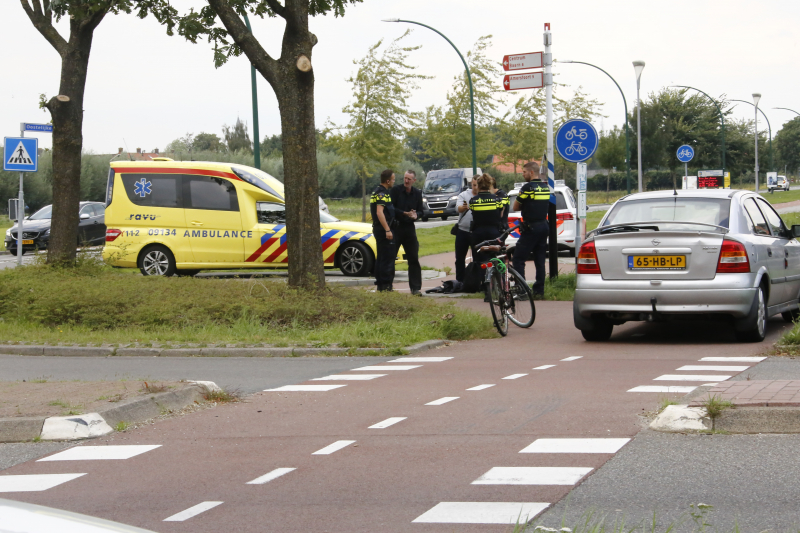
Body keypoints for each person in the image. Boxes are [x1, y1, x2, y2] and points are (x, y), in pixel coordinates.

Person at [512, 161, 550, 299]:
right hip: (544, 226)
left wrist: (526, 205)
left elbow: (516, 207)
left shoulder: (527, 187)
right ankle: (539, 291)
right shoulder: (545, 187)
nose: (523, 174)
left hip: (531, 227)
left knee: (518, 258)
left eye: (524, 172)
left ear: (532, 172)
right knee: (540, 260)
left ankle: (522, 291)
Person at [391, 170, 424, 295]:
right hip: (397, 227)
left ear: (414, 180)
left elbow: (421, 211)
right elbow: (391, 208)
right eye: (405, 178)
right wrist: (404, 213)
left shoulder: (417, 193)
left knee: (413, 258)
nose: (406, 181)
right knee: (391, 257)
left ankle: (416, 288)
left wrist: (416, 215)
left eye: (409, 179)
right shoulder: (396, 191)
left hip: (410, 228)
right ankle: (388, 286)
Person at [469, 174, 505, 266]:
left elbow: (473, 214)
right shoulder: (497, 200)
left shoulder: (473, 200)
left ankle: (480, 278)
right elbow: (501, 215)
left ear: (478, 186)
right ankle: (497, 278)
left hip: (478, 233)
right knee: (497, 259)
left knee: (478, 261)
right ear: (490, 185)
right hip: (494, 233)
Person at [371, 169, 396, 292]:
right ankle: (385, 286)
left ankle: (382, 285)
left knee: (381, 257)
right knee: (386, 258)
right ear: (387, 181)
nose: (393, 182)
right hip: (383, 229)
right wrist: (387, 229)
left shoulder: (377, 191)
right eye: (393, 179)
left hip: (379, 228)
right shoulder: (382, 193)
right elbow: (380, 212)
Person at [455, 176, 478, 283]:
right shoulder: (464, 195)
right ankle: (460, 281)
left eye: (478, 185)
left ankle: (477, 281)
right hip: (463, 231)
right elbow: (458, 208)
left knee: (477, 257)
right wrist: (463, 207)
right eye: (474, 185)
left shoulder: (484, 196)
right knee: (460, 258)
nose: (476, 188)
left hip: (477, 231)